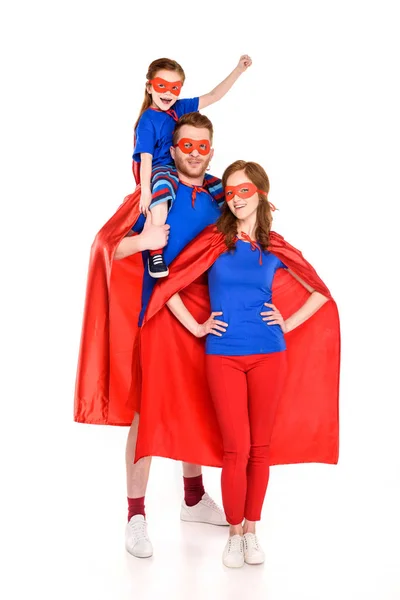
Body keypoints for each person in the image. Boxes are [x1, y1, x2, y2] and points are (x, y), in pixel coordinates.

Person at [134, 163, 340, 567]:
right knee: (235, 448)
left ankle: (251, 532)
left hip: (269, 355)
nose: (236, 197)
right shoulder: (214, 243)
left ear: (261, 193)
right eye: (229, 191)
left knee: (260, 449)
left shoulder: (274, 246)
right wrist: (196, 325)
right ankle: (232, 533)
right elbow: (168, 284)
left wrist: (287, 321)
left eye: (244, 190)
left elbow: (320, 291)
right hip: (222, 355)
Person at [75, 113, 233, 560]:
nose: (195, 153)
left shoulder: (221, 194)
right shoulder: (153, 193)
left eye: (203, 146)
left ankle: (192, 497)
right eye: (187, 145)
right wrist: (144, 241)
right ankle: (136, 515)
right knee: (149, 412)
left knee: (198, 402)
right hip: (157, 316)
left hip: (204, 316)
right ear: (174, 148)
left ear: (211, 150)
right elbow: (107, 247)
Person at [133, 55, 252, 277]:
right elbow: (146, 158)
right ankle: (156, 253)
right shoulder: (147, 121)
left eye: (175, 87)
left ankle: (241, 237)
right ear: (149, 87)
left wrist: (238, 70)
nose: (168, 93)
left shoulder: (180, 107)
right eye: (162, 86)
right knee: (162, 190)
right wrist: (146, 191)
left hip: (185, 168)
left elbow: (214, 95)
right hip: (162, 169)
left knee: (220, 186)